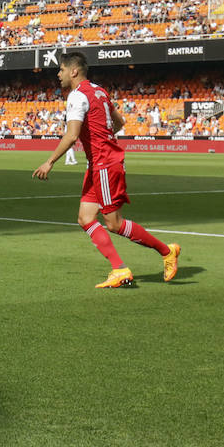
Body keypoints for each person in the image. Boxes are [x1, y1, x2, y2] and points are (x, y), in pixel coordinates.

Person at [32, 52, 180, 288]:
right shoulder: (99, 91)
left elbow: (71, 136)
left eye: (61, 70)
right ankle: (119, 269)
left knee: (114, 223)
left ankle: (167, 251)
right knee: (85, 218)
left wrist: (49, 161)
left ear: (73, 71)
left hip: (104, 164)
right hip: (100, 163)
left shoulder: (77, 96)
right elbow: (119, 122)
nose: (58, 74)